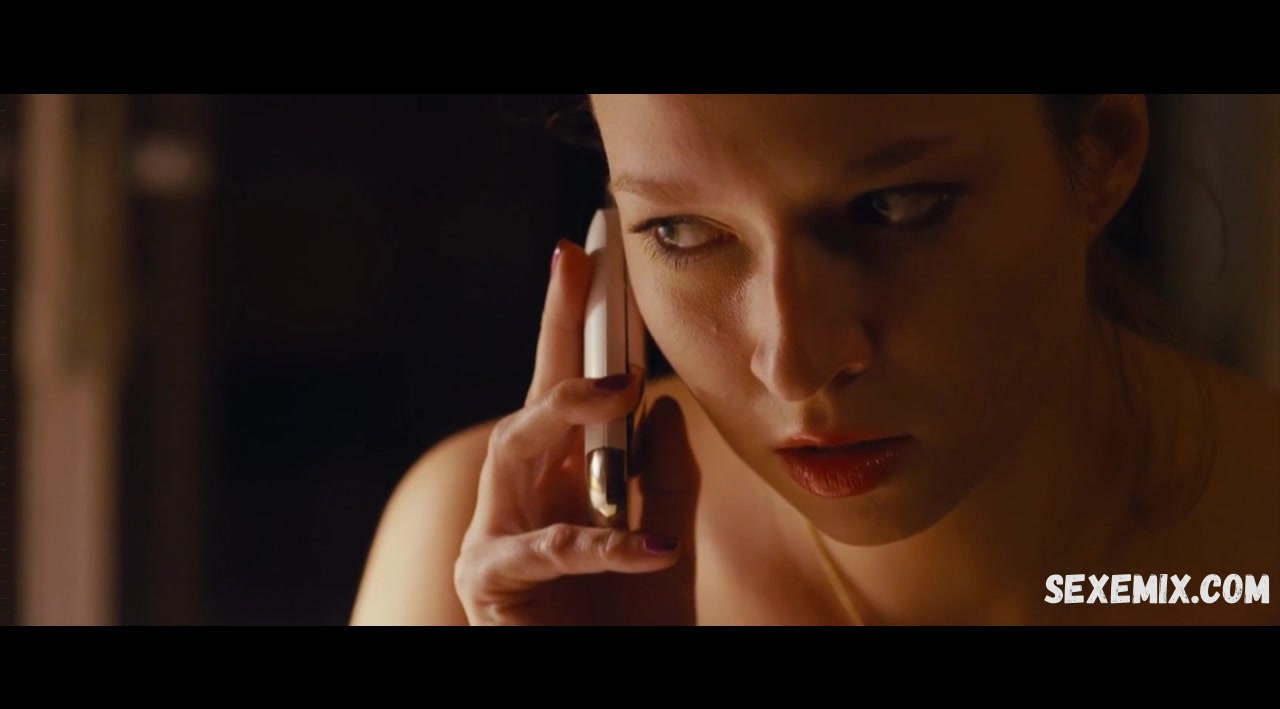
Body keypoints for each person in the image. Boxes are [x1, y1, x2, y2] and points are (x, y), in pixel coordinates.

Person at [349, 95, 1280, 625]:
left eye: (896, 208)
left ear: (1102, 155)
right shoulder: (484, 569)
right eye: (681, 231)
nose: (792, 366)